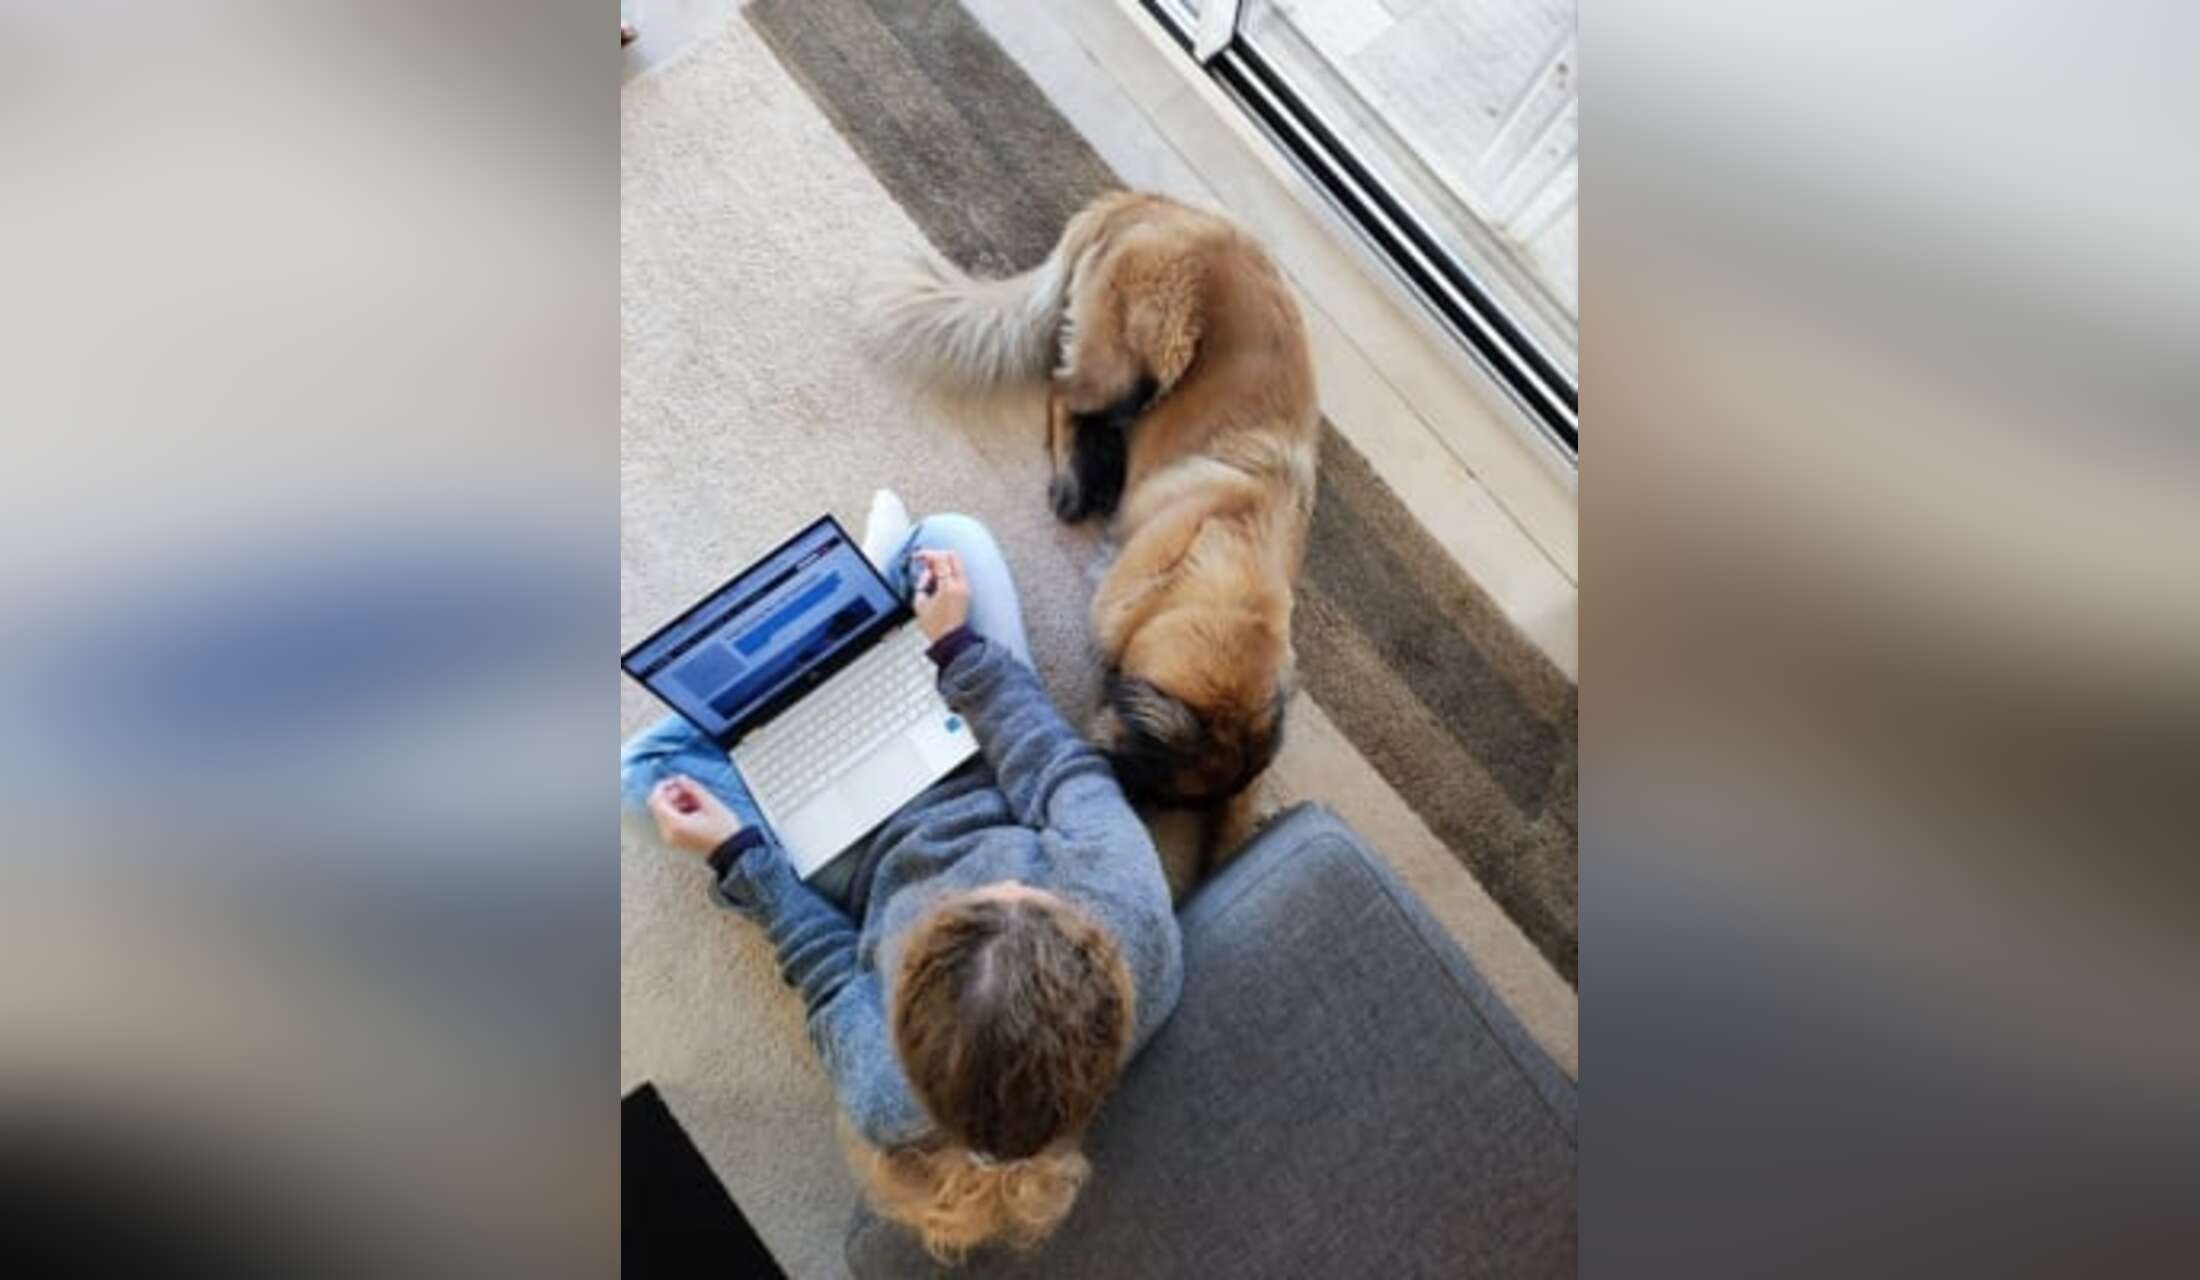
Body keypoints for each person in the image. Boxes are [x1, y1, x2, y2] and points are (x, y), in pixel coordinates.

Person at [622, 493, 1183, 1260]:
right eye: (1026, 894)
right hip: (977, 761)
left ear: (906, 1017)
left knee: (641, 777)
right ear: (1089, 936)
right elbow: (1051, 763)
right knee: (951, 538)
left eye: (970, 904)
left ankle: (846, 646)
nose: (1002, 884)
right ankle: (873, 639)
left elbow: (827, 972)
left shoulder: (888, 1098)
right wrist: (957, 652)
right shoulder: (1137, 919)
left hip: (853, 865)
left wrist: (740, 855)